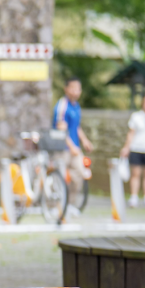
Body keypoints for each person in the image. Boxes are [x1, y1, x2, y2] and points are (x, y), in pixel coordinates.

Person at [53, 77, 94, 213]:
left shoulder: (76, 106)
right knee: (60, 178)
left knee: (79, 174)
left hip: (75, 148)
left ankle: (69, 205)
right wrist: (71, 146)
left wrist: (85, 140)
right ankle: (57, 207)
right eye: (73, 88)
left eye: (78, 88)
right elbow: (61, 128)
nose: (76, 91)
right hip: (62, 148)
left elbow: (76, 127)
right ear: (66, 89)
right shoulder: (62, 106)